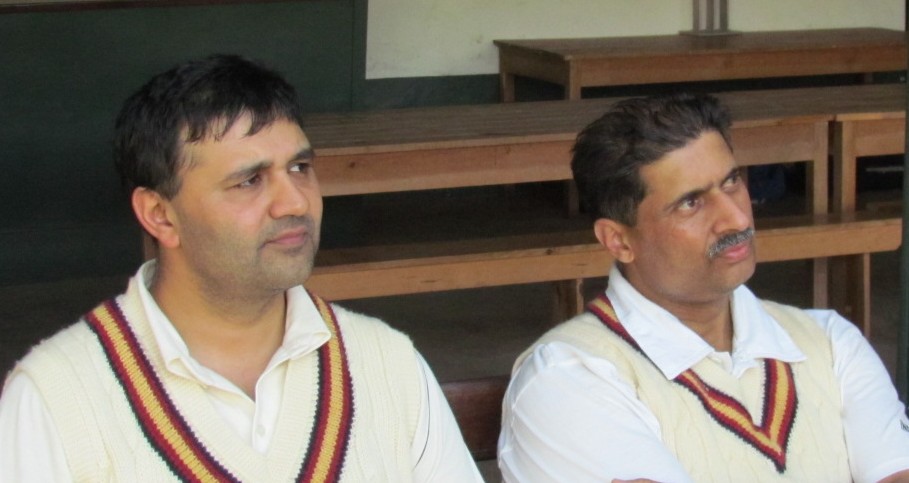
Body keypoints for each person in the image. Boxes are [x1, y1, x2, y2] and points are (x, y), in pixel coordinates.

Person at [0, 54, 481, 482]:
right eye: (249, 181)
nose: (294, 202)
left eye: (300, 168)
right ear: (160, 215)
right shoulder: (58, 398)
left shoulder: (386, 364)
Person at [498, 93, 909, 482]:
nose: (736, 219)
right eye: (691, 203)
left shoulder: (830, 342)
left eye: (732, 182)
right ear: (619, 241)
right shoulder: (569, 376)